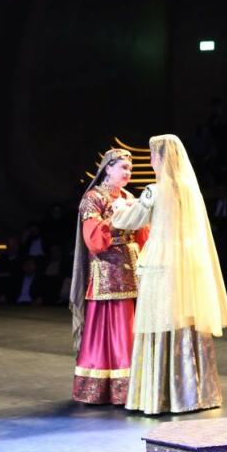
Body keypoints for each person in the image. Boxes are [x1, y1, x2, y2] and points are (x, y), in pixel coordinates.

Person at [111, 134, 227, 414]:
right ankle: (194, 392)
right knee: (185, 322)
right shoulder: (189, 190)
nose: (151, 160)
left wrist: (118, 207)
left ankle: (161, 394)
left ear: (161, 158)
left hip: (162, 263)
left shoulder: (155, 190)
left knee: (160, 320)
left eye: (153, 155)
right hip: (187, 262)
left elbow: (131, 220)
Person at [68, 149, 148, 405]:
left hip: (132, 270)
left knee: (130, 327)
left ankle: (132, 387)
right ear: (108, 168)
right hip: (107, 274)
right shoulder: (93, 198)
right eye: (123, 167)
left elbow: (142, 234)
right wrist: (117, 217)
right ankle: (104, 388)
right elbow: (94, 240)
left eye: (130, 169)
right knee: (109, 329)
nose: (128, 172)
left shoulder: (129, 197)